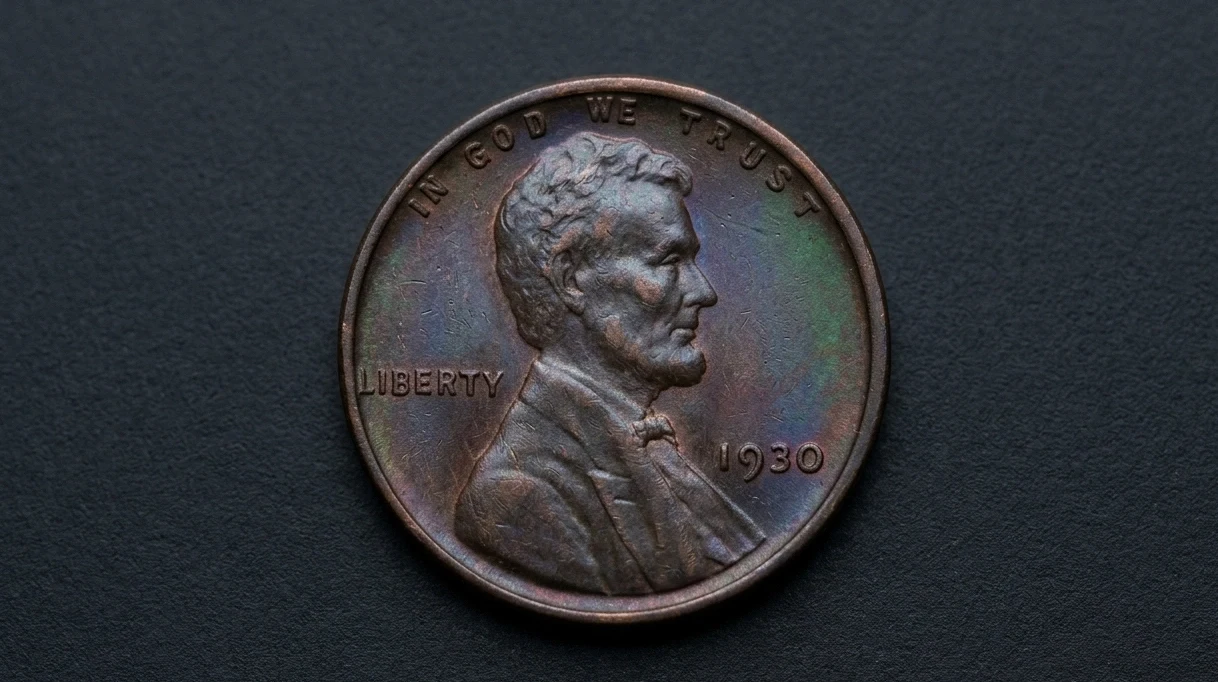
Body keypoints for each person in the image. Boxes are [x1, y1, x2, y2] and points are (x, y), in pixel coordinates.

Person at [454, 132, 764, 595]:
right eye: (667, 261)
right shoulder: (518, 496)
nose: (704, 292)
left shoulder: (644, 448)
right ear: (571, 279)